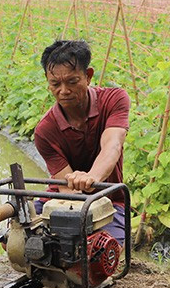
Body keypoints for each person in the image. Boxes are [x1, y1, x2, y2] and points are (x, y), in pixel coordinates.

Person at [33, 40, 130, 246]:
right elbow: (69, 192)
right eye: (55, 84)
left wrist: (91, 177)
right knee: (22, 238)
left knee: (103, 250)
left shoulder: (114, 100)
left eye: (72, 81)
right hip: (62, 197)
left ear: (88, 76)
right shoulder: (45, 131)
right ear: (47, 81)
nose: (64, 91)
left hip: (110, 200)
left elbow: (112, 145)